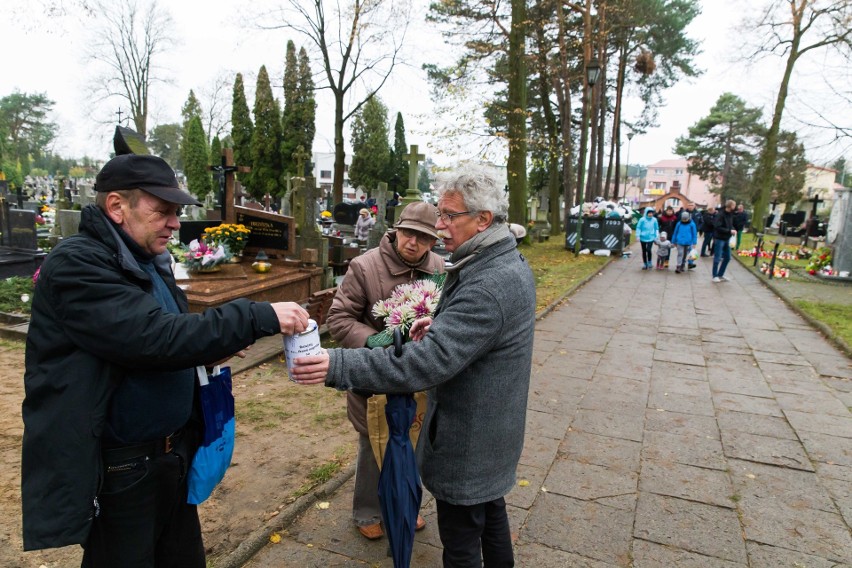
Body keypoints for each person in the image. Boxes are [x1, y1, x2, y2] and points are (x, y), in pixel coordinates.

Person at [21, 153, 310, 567]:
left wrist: (209, 354)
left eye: (176, 213)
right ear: (117, 207)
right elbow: (151, 337)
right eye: (163, 212)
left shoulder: (144, 260)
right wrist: (257, 314)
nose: (175, 223)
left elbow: (163, 337)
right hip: (122, 469)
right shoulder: (78, 263)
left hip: (169, 456)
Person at [291, 164, 536, 567]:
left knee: (460, 543)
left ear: (483, 220)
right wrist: (442, 323)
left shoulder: (489, 281)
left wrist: (335, 364)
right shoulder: (499, 260)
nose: (440, 226)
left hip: (471, 437)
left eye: (448, 216)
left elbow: (425, 364)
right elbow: (480, 330)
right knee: (491, 518)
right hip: (494, 430)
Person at [326, 201, 444, 540]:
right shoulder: (365, 266)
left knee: (415, 441)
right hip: (375, 375)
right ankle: (367, 512)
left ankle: (407, 504)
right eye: (408, 233)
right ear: (396, 231)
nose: (413, 243)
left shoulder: (439, 268)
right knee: (373, 443)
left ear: (433, 241)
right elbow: (339, 319)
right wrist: (380, 343)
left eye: (423, 237)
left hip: (419, 373)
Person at [712, 199, 737, 283]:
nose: (735, 207)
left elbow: (730, 225)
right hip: (719, 238)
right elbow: (717, 227)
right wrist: (729, 231)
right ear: (730, 206)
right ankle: (715, 275)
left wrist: (733, 229)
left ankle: (720, 274)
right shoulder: (720, 214)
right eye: (734, 205)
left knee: (727, 257)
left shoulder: (730, 215)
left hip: (727, 238)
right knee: (717, 257)